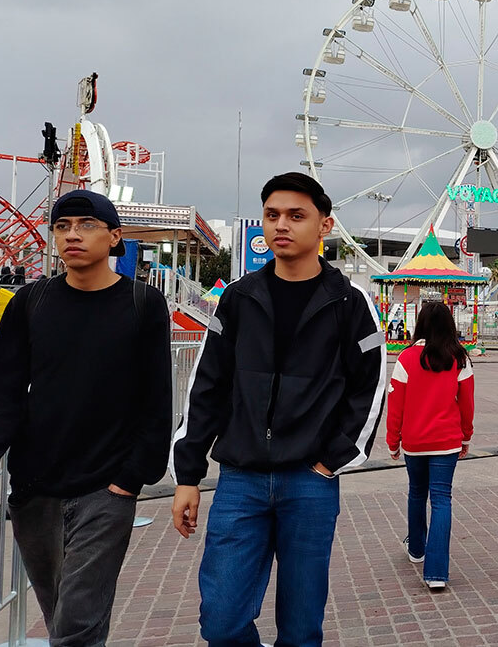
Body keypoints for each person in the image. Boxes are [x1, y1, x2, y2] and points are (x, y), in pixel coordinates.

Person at [171, 172, 385, 647]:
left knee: (302, 628)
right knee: (221, 623)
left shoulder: (352, 304)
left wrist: (332, 459)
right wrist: (187, 475)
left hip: (310, 481)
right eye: (272, 215)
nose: (280, 225)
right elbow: (206, 385)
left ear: (325, 226)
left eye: (296, 215)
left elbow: (370, 385)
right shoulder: (238, 299)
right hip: (240, 481)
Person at [0, 189, 172, 646]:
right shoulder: (30, 302)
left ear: (115, 238)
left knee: (76, 627)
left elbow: (155, 401)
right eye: (62, 226)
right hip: (35, 491)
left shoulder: (142, 304)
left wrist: (131, 478)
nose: (72, 234)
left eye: (86, 225)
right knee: (61, 617)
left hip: (106, 489)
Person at [385, 301, 474, 591]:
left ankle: (417, 549)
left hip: (414, 440)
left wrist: (392, 441)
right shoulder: (460, 358)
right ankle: (436, 572)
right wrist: (465, 436)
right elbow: (467, 405)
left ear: (419, 324)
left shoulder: (406, 358)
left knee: (416, 493)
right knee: (442, 499)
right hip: (447, 441)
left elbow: (395, 404)